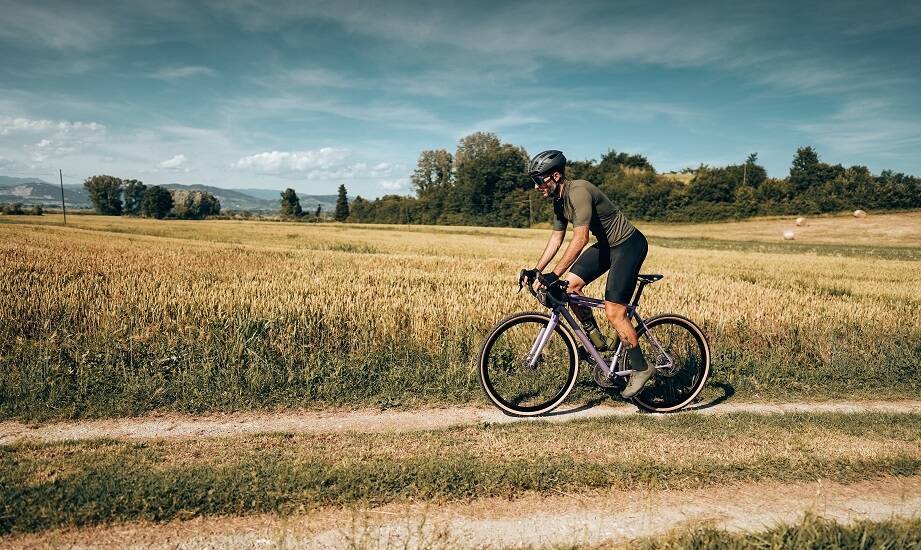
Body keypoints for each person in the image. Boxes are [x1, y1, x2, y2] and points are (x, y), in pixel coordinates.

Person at [519, 150, 653, 398]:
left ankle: (641, 367)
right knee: (569, 288)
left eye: (539, 180)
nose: (536, 186)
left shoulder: (578, 192)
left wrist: (554, 274)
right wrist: (537, 270)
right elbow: (556, 239)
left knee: (614, 311)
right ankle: (597, 342)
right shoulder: (559, 202)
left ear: (555, 176)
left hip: (628, 245)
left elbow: (580, 239)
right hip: (607, 246)